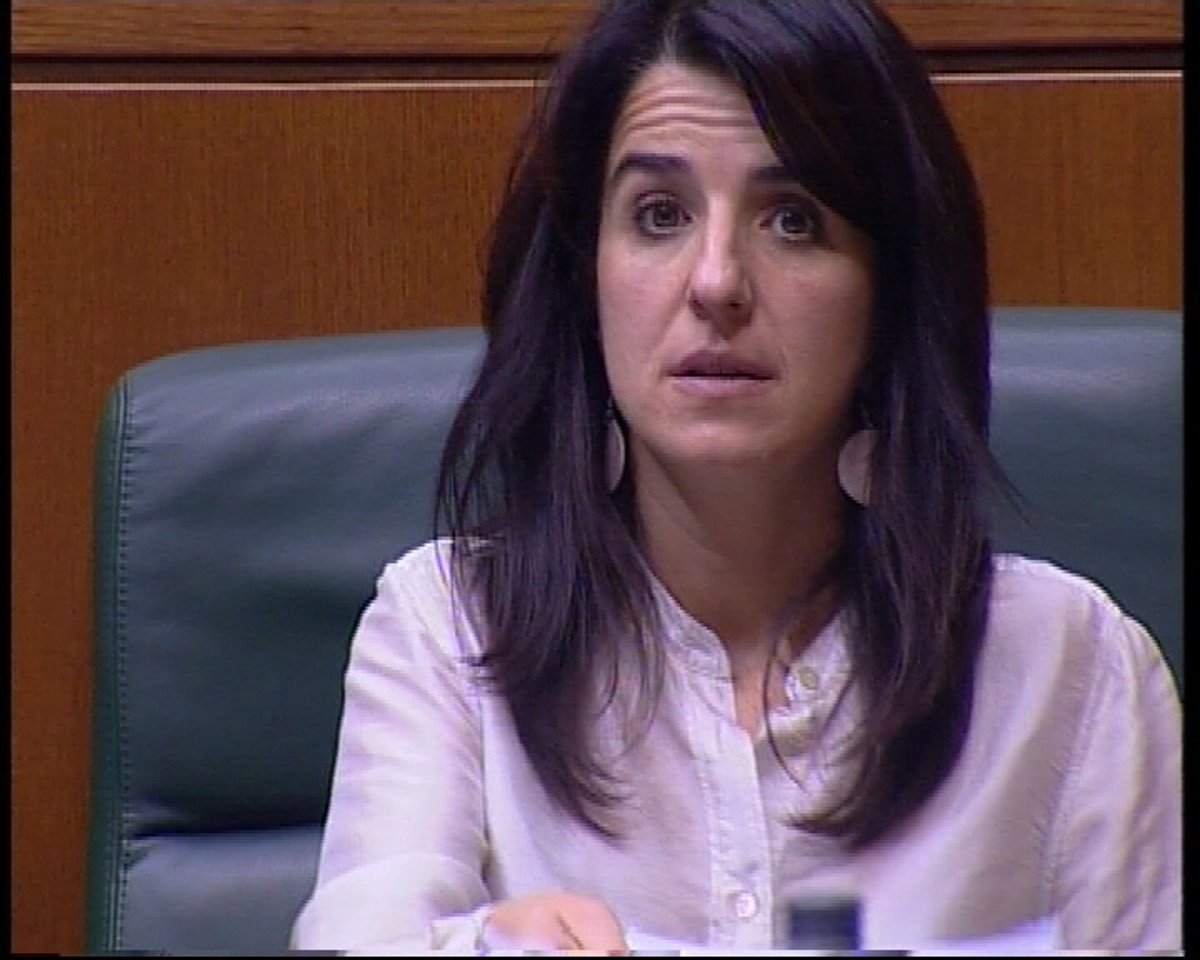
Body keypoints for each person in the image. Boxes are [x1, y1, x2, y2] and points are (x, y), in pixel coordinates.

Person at [291, 0, 1182, 953]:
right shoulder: (449, 629)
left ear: (889, 298)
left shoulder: (1070, 667)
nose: (716, 282)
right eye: (659, 215)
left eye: (793, 220)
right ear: (586, 282)